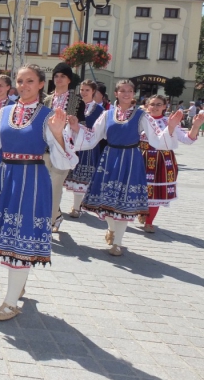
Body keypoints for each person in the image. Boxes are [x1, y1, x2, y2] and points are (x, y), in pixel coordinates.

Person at [0, 64, 75, 320]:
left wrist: (57, 133)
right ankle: (17, 285)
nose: (24, 86)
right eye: (20, 81)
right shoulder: (6, 112)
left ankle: (10, 302)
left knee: (22, 236)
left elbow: (65, 160)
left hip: (32, 179)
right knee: (9, 236)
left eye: (30, 81)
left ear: (42, 84)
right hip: (6, 176)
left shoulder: (48, 116)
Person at [73, 80, 181, 256]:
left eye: (130, 91)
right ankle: (111, 228)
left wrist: (170, 127)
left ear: (134, 94)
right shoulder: (107, 115)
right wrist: (76, 128)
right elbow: (93, 137)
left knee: (125, 201)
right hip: (109, 158)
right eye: (122, 90)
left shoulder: (141, 115)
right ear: (116, 93)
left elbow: (156, 139)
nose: (126, 93)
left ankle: (118, 243)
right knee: (106, 199)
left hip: (131, 160)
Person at [137, 95, 203, 233]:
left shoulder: (169, 121)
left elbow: (187, 140)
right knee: (139, 190)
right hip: (141, 157)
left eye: (159, 104)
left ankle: (149, 222)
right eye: (152, 104)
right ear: (147, 105)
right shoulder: (140, 120)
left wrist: (195, 126)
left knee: (156, 193)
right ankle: (142, 211)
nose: (155, 107)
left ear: (164, 107)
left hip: (162, 160)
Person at [43, 62, 85, 233]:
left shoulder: (77, 101)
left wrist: (74, 126)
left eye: (62, 76)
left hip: (63, 148)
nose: (58, 79)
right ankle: (56, 215)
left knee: (55, 186)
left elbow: (82, 126)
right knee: (44, 186)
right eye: (56, 76)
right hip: (44, 148)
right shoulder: (46, 99)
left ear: (69, 80)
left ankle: (51, 219)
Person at [64, 80, 105, 218]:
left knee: (82, 178)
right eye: (82, 89)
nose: (83, 92)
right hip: (70, 143)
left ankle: (76, 207)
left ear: (93, 91)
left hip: (88, 147)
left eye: (87, 90)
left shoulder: (99, 110)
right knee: (65, 175)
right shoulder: (73, 105)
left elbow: (98, 131)